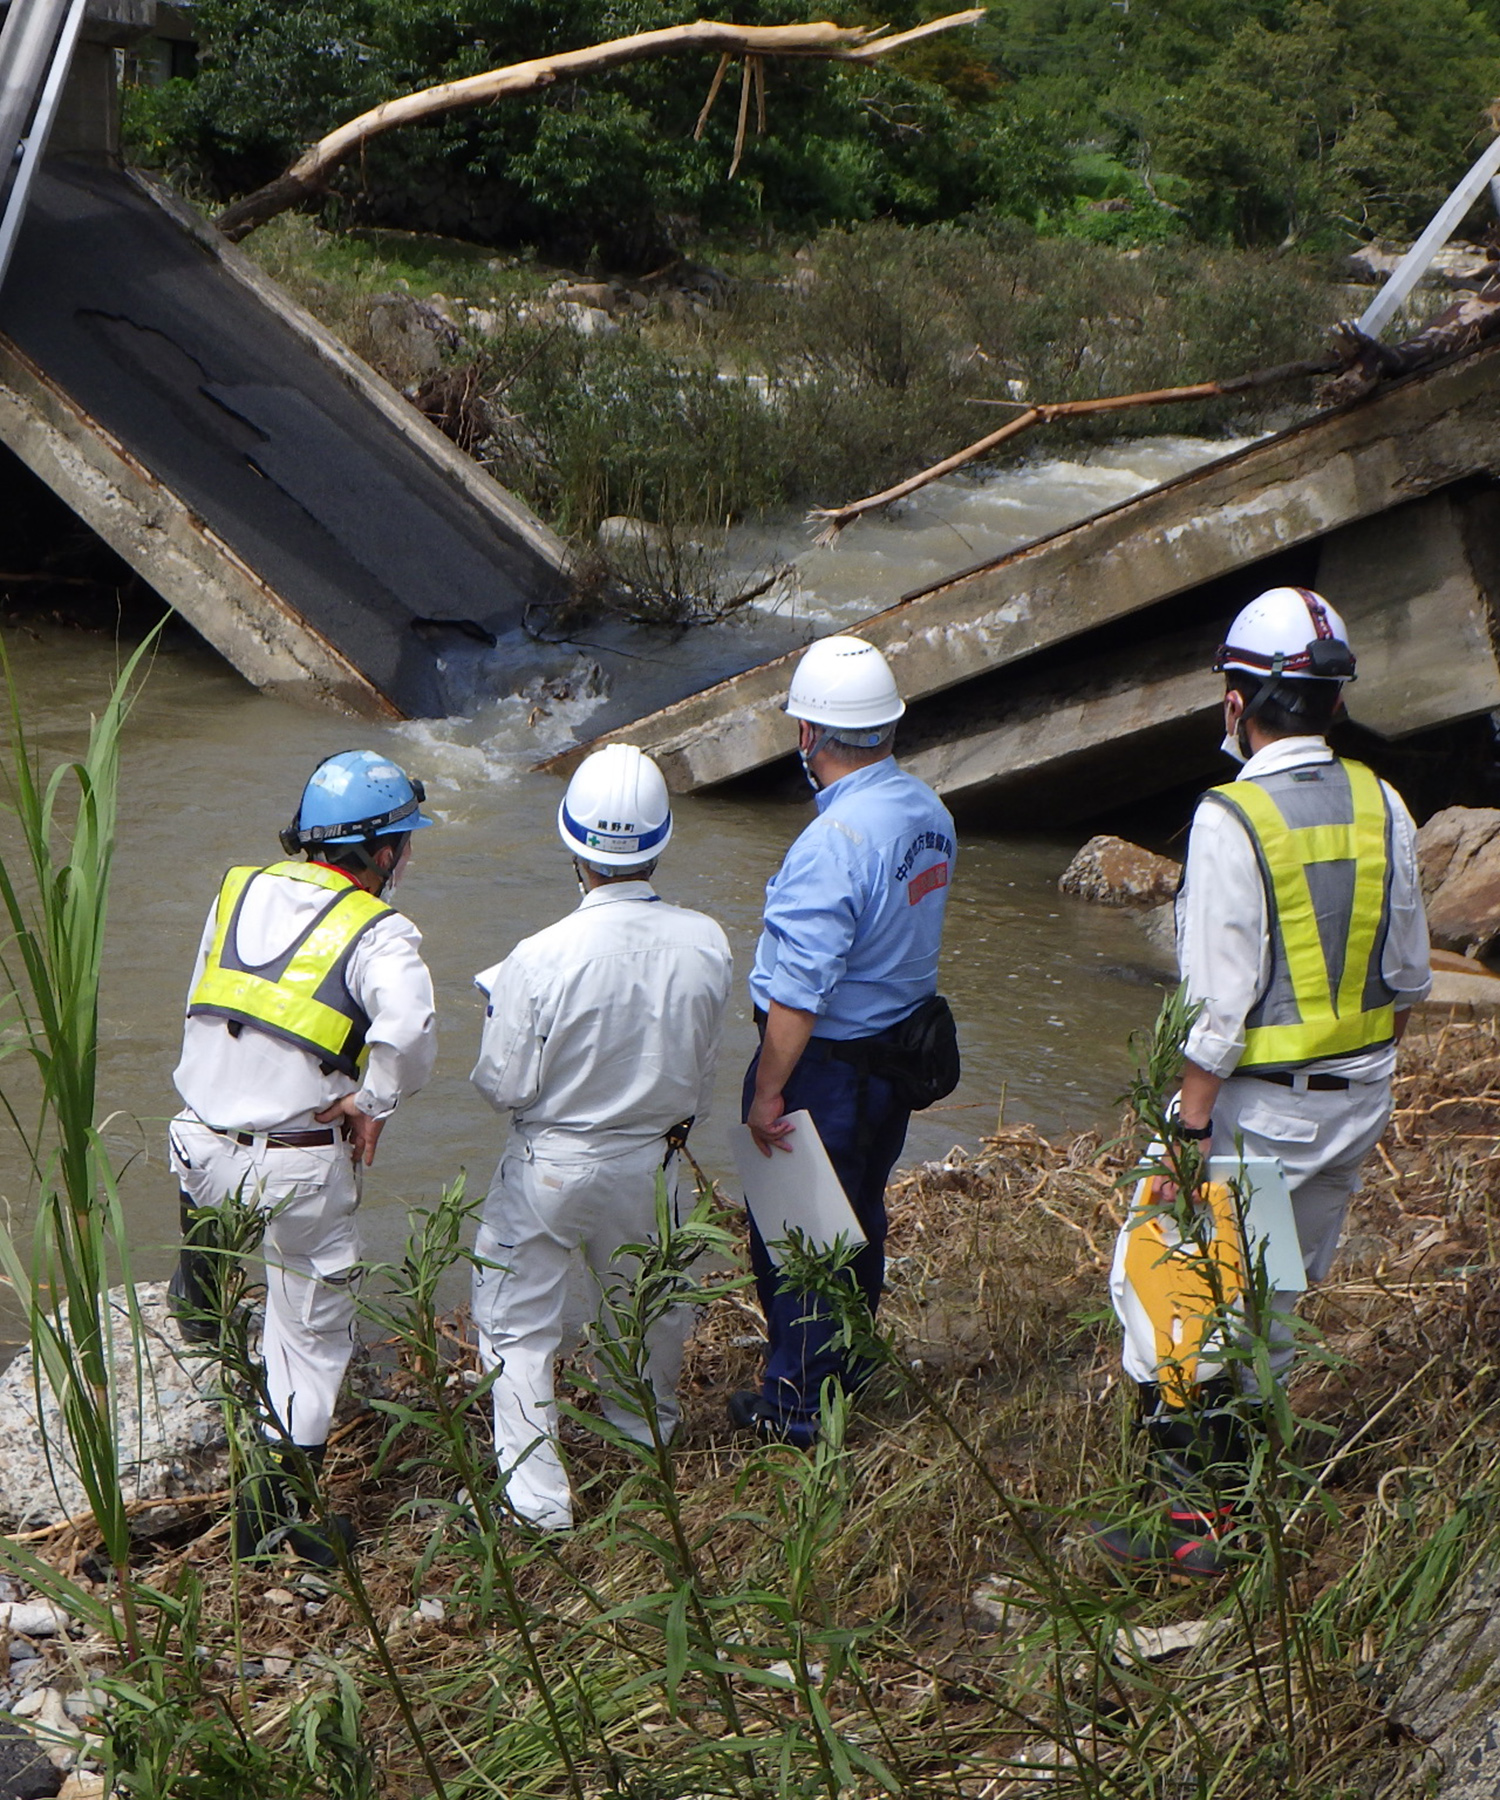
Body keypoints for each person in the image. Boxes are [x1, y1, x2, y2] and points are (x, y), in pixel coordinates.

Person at [1099, 586, 1431, 1575]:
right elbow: (1408, 976)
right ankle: (1247, 1504)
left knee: (1169, 1296)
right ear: (1334, 703)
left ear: (1244, 699)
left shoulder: (1229, 819)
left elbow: (1217, 1006)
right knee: (1274, 1300)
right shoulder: (1385, 803)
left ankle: (1194, 1529)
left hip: (1252, 1112)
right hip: (1356, 1101)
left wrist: (1191, 1126)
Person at [168, 749, 437, 1563]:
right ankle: (275, 1522)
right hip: (294, 1163)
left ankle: (199, 1282)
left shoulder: (236, 885)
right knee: (310, 1340)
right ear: (383, 852)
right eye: (405, 844)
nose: (407, 858)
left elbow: (206, 1003)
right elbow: (411, 1032)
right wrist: (372, 1100)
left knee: (211, 1164)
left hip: (198, 1145)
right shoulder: (381, 930)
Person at [470, 743, 732, 1532]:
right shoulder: (708, 941)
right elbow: (704, 1065)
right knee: (648, 1311)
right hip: (654, 1159)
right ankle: (643, 1448)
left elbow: (501, 1086)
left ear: (572, 846)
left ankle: (538, 1502)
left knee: (517, 1327)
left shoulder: (538, 957)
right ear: (660, 842)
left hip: (554, 1161)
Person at [731, 634, 957, 1448]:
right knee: (857, 1214)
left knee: (796, 1241)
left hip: (823, 1066)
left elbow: (799, 993)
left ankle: (796, 1410)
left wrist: (766, 1091)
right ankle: (849, 1368)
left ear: (808, 736)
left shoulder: (832, 844)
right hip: (895, 1059)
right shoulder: (929, 814)